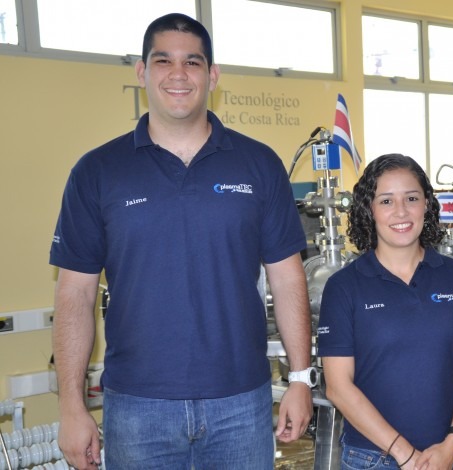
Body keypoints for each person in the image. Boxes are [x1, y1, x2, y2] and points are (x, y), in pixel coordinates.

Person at [49, 13, 314, 470]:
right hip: (136, 407)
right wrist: (71, 406)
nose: (178, 74)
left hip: (242, 404)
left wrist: (300, 378)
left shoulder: (258, 164)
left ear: (212, 76)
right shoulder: (96, 172)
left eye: (192, 62)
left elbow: (288, 280)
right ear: (142, 72)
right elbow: (75, 293)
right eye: (163, 60)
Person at [316, 154, 453, 470]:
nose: (401, 212)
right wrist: (405, 454)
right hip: (372, 458)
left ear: (427, 204)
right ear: (369, 210)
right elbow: (338, 387)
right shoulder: (344, 287)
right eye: (386, 201)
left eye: (411, 198)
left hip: (452, 456)